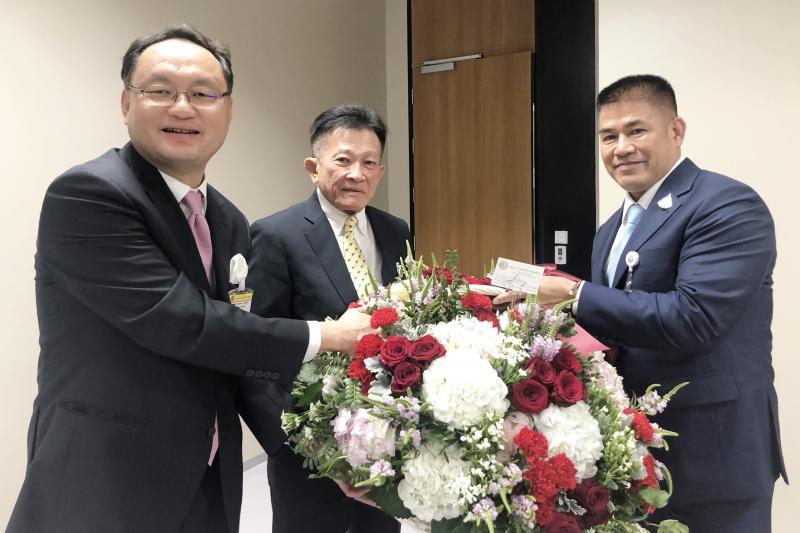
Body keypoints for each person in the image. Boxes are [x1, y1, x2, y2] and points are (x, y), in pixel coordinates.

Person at [7, 25, 372, 533]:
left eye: (203, 94)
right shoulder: (89, 194)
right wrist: (327, 335)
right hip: (105, 475)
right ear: (126, 102)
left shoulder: (228, 220)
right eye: (160, 90)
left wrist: (322, 456)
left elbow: (240, 357)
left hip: (207, 479)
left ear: (228, 109)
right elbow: (181, 320)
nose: (182, 108)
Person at [533, 74, 787, 532]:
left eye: (636, 130)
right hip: (639, 454)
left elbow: (695, 318)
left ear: (676, 131)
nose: (621, 148)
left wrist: (574, 293)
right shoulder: (611, 229)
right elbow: (615, 329)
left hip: (714, 453)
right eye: (608, 136)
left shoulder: (726, 204)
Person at [245, 104, 409, 533]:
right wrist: (298, 444)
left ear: (380, 171)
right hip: (309, 447)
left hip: (386, 442)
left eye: (369, 163)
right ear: (313, 167)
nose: (357, 173)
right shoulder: (276, 234)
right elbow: (256, 346)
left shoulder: (396, 231)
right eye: (343, 160)